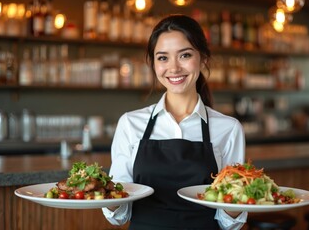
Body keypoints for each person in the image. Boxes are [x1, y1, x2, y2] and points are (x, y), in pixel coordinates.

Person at [102, 14, 247, 230]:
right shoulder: (130, 124)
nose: (174, 68)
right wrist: (103, 194)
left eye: (185, 55)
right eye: (163, 58)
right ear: (153, 64)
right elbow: (119, 216)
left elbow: (229, 222)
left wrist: (241, 199)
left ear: (204, 58)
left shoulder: (229, 128)